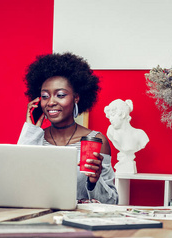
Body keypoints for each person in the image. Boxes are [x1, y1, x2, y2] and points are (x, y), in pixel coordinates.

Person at [18, 52, 118, 204]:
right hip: (40, 219)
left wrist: (94, 182)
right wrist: (30, 130)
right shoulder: (34, 138)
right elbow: (18, 183)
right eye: (45, 96)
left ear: (76, 97)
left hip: (79, 223)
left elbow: (112, 201)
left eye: (60, 95)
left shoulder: (94, 141)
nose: (50, 102)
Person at [104, 99, 149, 174]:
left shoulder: (140, 134)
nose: (110, 119)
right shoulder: (111, 131)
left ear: (123, 114)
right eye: (109, 117)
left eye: (113, 115)